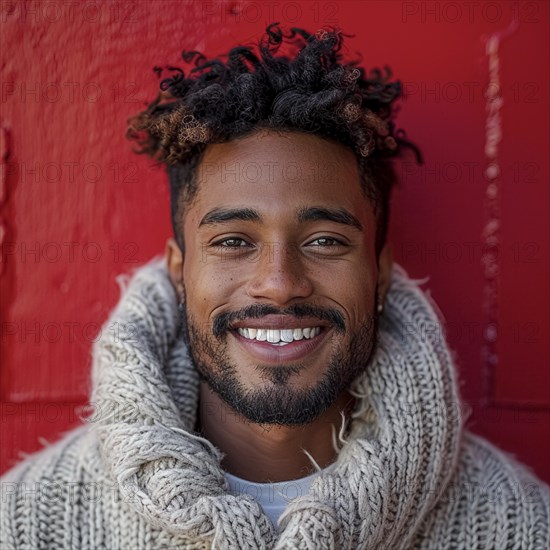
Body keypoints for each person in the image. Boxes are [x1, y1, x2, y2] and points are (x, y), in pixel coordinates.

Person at [1, 23, 548, 549]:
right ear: (178, 274)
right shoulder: (23, 524)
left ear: (379, 274)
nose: (280, 284)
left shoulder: (523, 527)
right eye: (233, 241)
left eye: (326, 241)